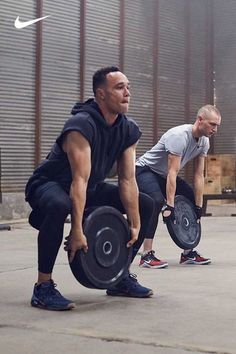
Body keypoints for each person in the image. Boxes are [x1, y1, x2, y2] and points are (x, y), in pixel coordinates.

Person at [25, 66, 157, 311]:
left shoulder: (127, 129)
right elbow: (79, 181)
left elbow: (127, 179)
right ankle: (43, 287)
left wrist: (136, 223)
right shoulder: (81, 125)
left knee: (146, 203)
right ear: (101, 94)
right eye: (119, 87)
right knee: (59, 204)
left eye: (128, 87)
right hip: (50, 184)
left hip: (90, 186)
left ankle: (120, 277)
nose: (127, 93)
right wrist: (77, 230)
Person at [135, 105, 222, 269]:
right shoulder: (179, 136)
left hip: (163, 175)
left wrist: (197, 206)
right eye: (212, 124)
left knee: (190, 196)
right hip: (144, 170)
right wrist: (170, 205)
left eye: (217, 125)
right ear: (200, 120)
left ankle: (188, 252)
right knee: (155, 201)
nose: (215, 129)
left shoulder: (204, 142)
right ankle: (146, 255)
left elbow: (198, 175)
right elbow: (172, 172)